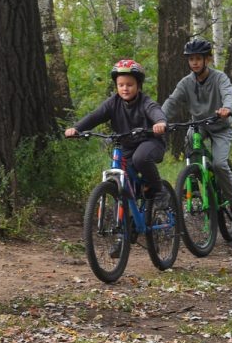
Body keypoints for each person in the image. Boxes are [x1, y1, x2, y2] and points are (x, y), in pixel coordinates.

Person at [64, 59, 168, 256]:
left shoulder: (145, 102)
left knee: (140, 159)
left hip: (150, 142)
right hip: (126, 146)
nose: (125, 88)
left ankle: (159, 190)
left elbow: (156, 111)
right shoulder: (113, 103)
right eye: (121, 85)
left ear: (138, 85)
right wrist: (77, 128)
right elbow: (95, 116)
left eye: (129, 84)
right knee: (122, 186)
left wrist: (160, 122)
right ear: (116, 86)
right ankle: (123, 235)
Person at [157, 38, 232, 225]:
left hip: (221, 126)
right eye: (191, 59)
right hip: (200, 125)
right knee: (190, 139)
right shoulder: (186, 83)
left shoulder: (220, 78)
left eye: (198, 58)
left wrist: (227, 108)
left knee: (220, 164)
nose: (194, 62)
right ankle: (195, 177)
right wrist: (159, 119)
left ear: (208, 59)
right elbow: (172, 102)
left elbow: (228, 94)